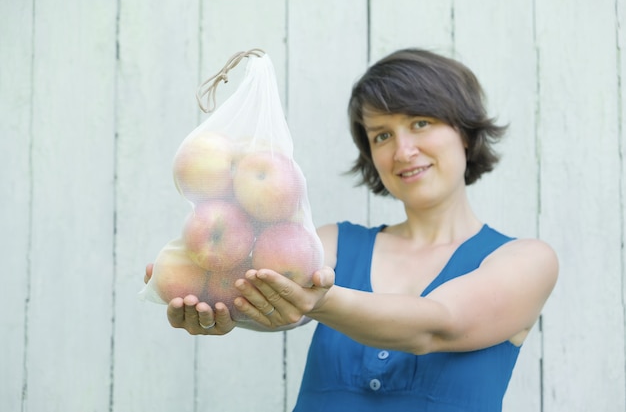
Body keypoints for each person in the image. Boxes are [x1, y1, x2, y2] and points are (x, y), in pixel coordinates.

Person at [144, 48, 558, 412]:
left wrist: (317, 303)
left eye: (420, 123)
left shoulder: (527, 260)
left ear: (464, 133)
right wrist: (223, 306)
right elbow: (274, 298)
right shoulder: (334, 244)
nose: (403, 150)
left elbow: (437, 323)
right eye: (381, 135)